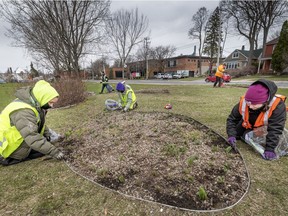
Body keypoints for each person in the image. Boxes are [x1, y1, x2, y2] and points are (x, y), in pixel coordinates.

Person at [0, 80, 65, 166]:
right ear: (42, 98)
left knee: (44, 145)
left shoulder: (32, 103)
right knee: (42, 148)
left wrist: (50, 135)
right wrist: (54, 152)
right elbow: (32, 136)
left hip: (17, 140)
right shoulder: (23, 111)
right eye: (50, 103)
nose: (51, 106)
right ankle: (14, 157)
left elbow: (37, 124)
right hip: (11, 149)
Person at [226, 79, 287, 160]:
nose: (250, 106)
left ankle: (247, 134)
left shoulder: (277, 106)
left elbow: (275, 128)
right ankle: (245, 133)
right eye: (248, 103)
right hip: (247, 124)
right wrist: (231, 135)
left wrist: (270, 149)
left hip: (264, 128)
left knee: (247, 137)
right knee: (237, 135)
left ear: (265, 101)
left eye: (254, 104)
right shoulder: (244, 101)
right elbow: (232, 119)